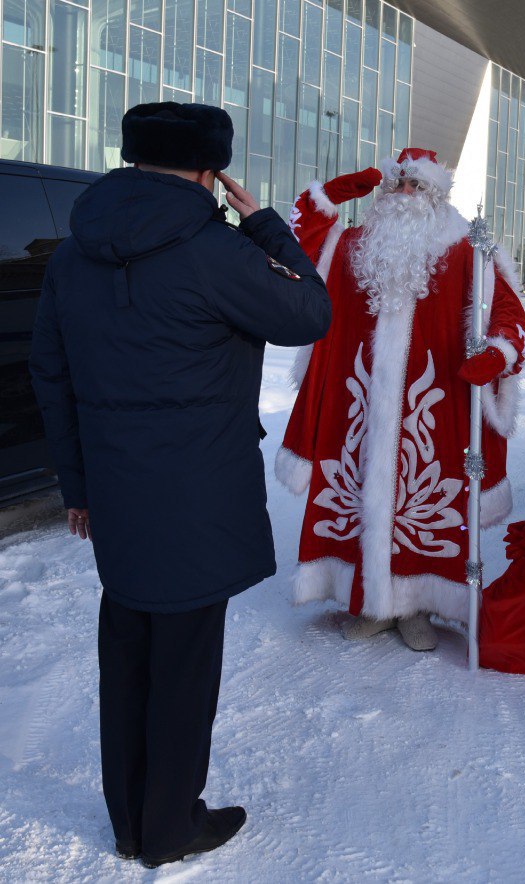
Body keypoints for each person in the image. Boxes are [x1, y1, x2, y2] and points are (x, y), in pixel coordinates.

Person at [27, 102, 331, 867]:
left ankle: (129, 820)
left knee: (127, 656)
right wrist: (263, 224)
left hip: (118, 494)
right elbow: (311, 311)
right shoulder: (215, 251)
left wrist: (77, 486)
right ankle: (167, 829)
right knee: (185, 669)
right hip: (198, 496)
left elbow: (51, 374)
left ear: (130, 159)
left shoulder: (74, 251)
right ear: (210, 171)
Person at [276, 149, 525, 652]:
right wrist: (330, 196)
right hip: (359, 402)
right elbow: (296, 247)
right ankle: (372, 601)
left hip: (434, 405)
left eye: (417, 188)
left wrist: (496, 352)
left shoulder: (465, 249)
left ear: (435, 196)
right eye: (398, 187)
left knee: (425, 498)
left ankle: (415, 604)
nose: (405, 195)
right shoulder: (352, 246)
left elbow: (507, 308)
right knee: (358, 489)